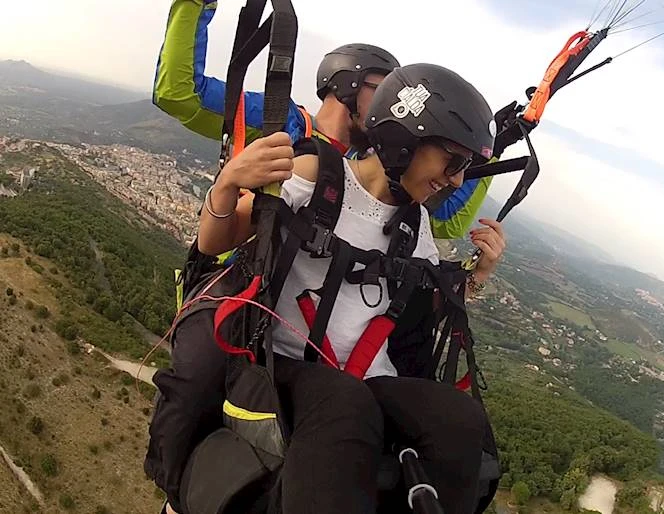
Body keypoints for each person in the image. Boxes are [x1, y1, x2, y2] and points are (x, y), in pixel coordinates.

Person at [145, 62, 506, 514]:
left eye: (465, 167)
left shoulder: (416, 225)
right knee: (343, 404)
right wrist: (229, 184)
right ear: (406, 136)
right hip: (286, 367)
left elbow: (423, 306)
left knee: (459, 419)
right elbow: (216, 242)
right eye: (453, 161)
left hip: (369, 378)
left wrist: (477, 277)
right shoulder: (317, 176)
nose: (455, 179)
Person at [153, 0, 496, 240]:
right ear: (347, 83)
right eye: (383, 90)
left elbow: (442, 220)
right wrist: (196, 4)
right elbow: (180, 94)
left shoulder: (372, 166)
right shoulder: (281, 120)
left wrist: (488, 154)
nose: (393, 106)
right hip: (235, 293)